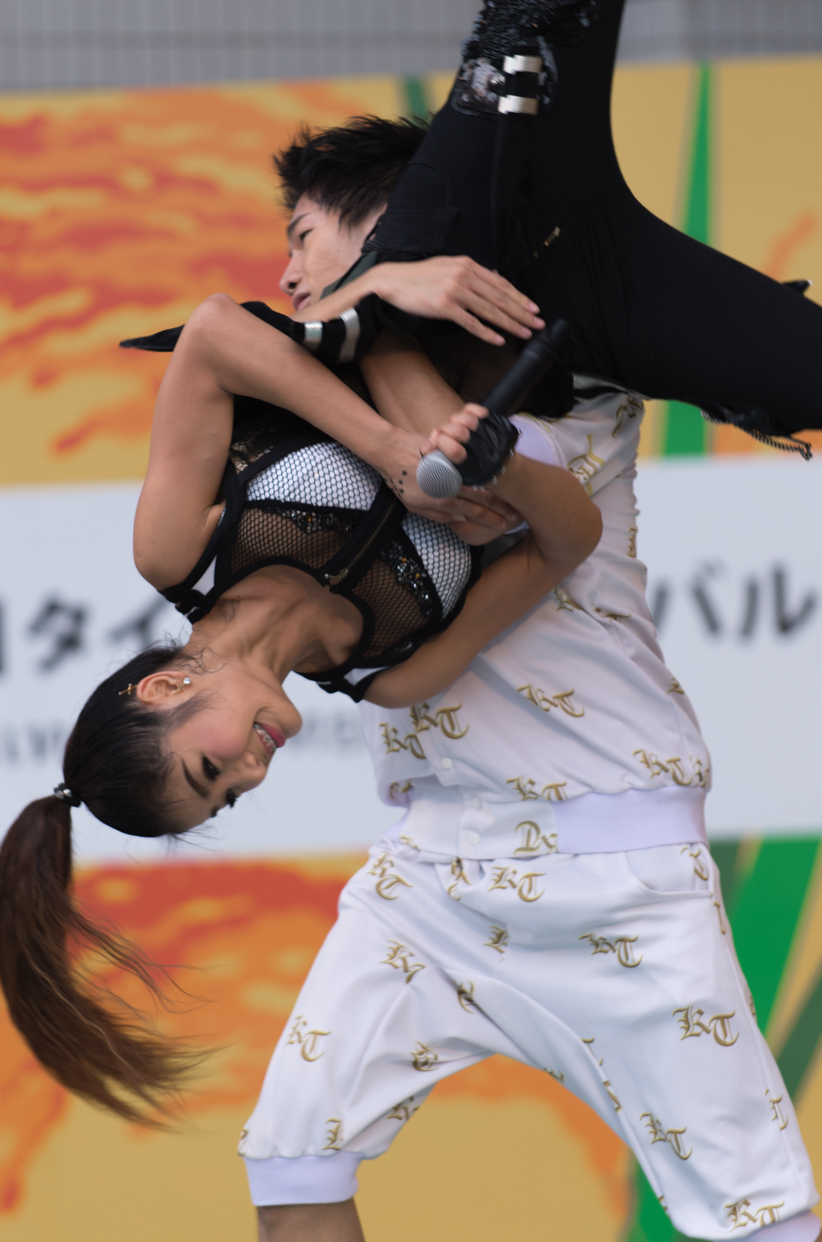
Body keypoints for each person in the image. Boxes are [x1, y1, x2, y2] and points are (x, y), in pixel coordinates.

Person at [235, 5, 822, 1242]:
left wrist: (378, 286)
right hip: (429, 878)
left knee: (769, 1235)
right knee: (290, 1163)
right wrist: (370, 292)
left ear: (370, 217)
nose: (288, 275)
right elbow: (253, 344)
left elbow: (437, 419)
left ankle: (504, 63)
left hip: (616, 870)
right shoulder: (327, 379)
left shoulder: (523, 351)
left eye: (302, 239)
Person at [0, 288, 600, 1118]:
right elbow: (571, 539)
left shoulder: (177, 549)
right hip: (558, 356)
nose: (249, 775)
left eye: (209, 770)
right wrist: (504, 471)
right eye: (228, 797)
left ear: (164, 688)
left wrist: (393, 453)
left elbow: (214, 332)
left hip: (417, 279)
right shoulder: (397, 672)